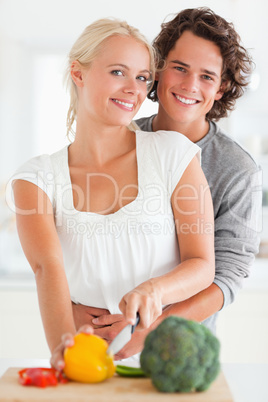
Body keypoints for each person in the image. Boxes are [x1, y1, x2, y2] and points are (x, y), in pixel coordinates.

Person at [11, 17, 215, 369]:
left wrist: (154, 290)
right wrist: (65, 350)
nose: (134, 90)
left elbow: (202, 265)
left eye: (142, 77)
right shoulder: (36, 179)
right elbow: (47, 269)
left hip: (163, 362)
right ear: (78, 73)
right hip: (88, 360)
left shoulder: (172, 154)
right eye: (118, 72)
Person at [72, 7, 262, 360]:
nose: (190, 85)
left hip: (180, 350)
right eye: (180, 68)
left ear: (221, 88)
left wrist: (151, 326)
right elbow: (78, 238)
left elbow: (227, 276)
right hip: (94, 343)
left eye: (207, 76)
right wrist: (69, 307)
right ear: (157, 71)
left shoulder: (237, 169)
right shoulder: (118, 137)